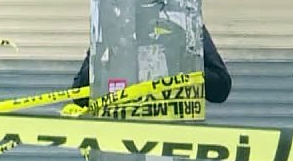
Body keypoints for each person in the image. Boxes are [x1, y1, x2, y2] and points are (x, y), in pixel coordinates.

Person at [71, 24, 232, 106]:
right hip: (122, 146)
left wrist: (180, 60)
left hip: (171, 143)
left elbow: (221, 87)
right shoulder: (115, 26)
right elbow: (79, 94)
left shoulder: (185, 24)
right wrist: (108, 52)